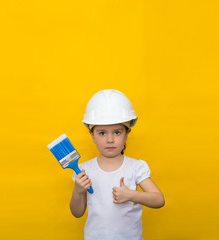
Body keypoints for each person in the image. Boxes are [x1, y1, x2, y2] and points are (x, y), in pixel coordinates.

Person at [70, 89, 165, 240]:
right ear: (91, 135)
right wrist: (78, 191)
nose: (110, 140)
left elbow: (159, 200)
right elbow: (77, 213)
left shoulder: (135, 167)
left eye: (117, 132)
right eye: (102, 133)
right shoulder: (83, 171)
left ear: (127, 133)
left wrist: (131, 195)